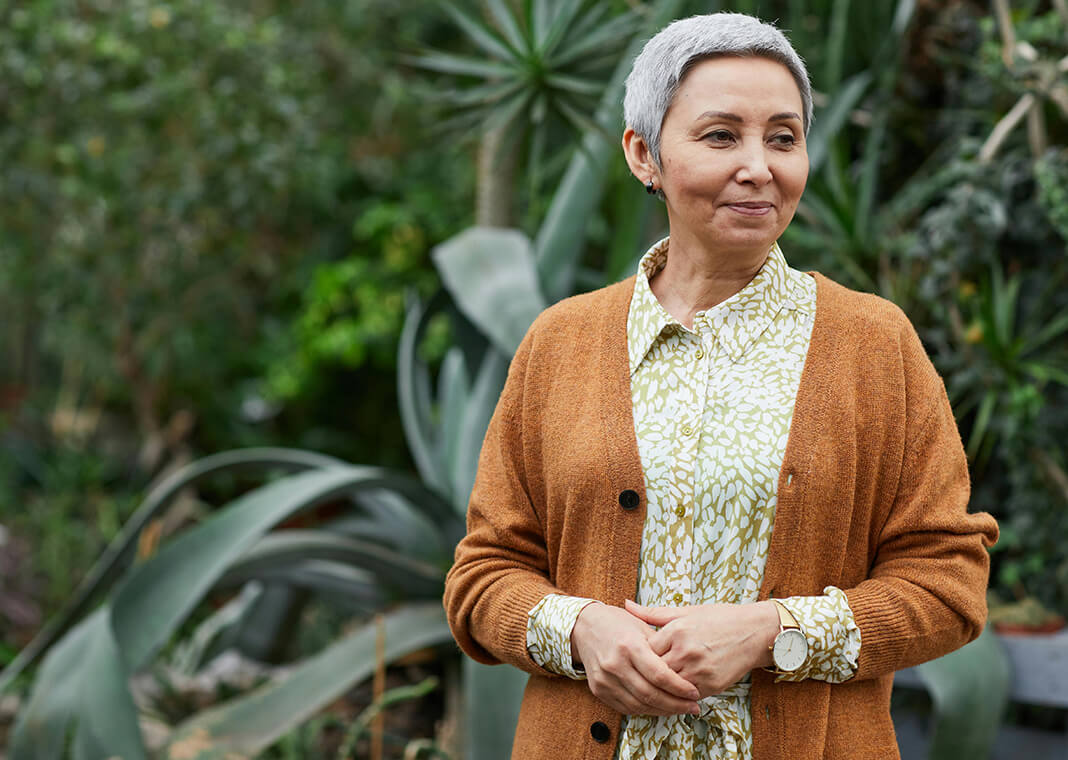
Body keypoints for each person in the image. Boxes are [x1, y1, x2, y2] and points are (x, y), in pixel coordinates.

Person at [443, 12, 998, 760]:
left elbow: (948, 583)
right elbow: (482, 577)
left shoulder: (873, 345)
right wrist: (578, 629)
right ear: (644, 155)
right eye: (719, 135)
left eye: (783, 137)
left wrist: (775, 633)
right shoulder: (560, 343)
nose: (759, 166)